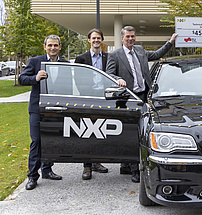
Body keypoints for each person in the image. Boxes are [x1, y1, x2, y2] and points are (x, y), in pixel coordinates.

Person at [106, 25, 177, 183]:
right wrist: (117, 79)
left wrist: (170, 42)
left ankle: (135, 164)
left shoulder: (140, 50)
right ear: (122, 38)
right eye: (127, 37)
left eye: (133, 36)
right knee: (132, 134)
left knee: (144, 132)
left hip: (145, 97)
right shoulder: (115, 55)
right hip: (129, 98)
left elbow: (157, 54)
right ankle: (134, 170)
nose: (131, 39)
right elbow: (108, 73)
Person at [19, 35, 69, 190]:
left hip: (55, 109)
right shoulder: (35, 61)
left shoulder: (65, 64)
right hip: (37, 109)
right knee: (37, 141)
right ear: (45, 46)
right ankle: (32, 176)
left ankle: (47, 170)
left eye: (55, 45)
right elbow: (22, 79)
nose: (53, 48)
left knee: (51, 140)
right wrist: (35, 77)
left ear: (60, 47)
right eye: (50, 45)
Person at [75, 28, 109, 180]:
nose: (96, 40)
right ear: (89, 40)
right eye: (93, 38)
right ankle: (87, 166)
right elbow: (78, 80)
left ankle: (97, 162)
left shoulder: (108, 58)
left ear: (102, 40)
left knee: (101, 131)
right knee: (87, 132)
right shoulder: (81, 59)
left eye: (98, 38)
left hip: (104, 99)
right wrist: (87, 96)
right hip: (88, 99)